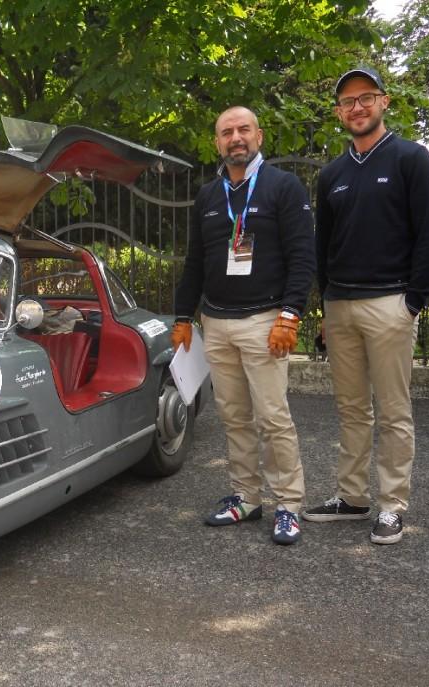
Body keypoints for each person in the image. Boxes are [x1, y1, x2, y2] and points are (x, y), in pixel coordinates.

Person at [302, 67, 429, 545]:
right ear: (340, 112)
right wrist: (326, 304)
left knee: (393, 410)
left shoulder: (411, 159)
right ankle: (352, 497)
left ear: (384, 102)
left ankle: (391, 505)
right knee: (350, 409)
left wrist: (412, 303)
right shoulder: (332, 174)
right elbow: (324, 246)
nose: (356, 107)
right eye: (347, 101)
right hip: (340, 305)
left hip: (390, 303)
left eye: (365, 98)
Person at [172, 106, 316, 545]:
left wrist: (291, 314)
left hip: (264, 322)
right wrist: (182, 316)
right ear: (217, 142)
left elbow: (302, 256)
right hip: (216, 323)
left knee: (273, 418)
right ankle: (246, 498)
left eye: (243, 130)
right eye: (226, 132)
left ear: (259, 135)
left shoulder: (284, 187)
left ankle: (288, 504)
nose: (235, 138)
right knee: (234, 417)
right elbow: (195, 261)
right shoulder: (208, 196)